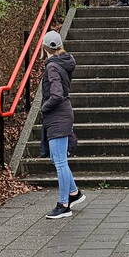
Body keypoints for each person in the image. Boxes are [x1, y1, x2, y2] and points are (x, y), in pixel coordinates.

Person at [38, 30, 85, 219]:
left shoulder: (52, 67)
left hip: (57, 116)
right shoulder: (63, 62)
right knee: (59, 160)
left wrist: (44, 108)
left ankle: (63, 205)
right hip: (63, 114)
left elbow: (56, 94)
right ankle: (74, 193)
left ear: (44, 47)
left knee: (59, 162)